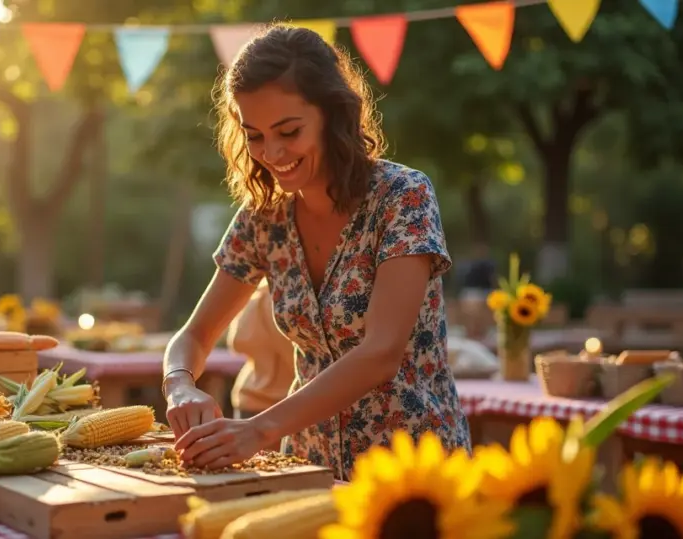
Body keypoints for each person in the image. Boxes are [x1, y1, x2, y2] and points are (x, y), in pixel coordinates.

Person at [161, 24, 470, 480]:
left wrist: (257, 430)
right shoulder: (263, 219)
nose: (272, 152)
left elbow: (381, 352)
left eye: (288, 130)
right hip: (307, 470)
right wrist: (180, 385)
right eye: (255, 135)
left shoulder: (403, 197)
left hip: (413, 476)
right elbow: (193, 336)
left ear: (332, 113)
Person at [226, 279, 295, 451]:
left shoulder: (259, 295)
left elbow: (237, 341)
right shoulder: (275, 298)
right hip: (279, 407)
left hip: (260, 398)